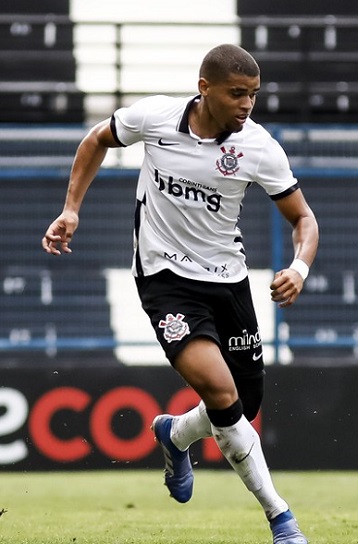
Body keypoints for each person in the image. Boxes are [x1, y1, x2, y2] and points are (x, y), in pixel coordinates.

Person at [41, 44, 318, 544]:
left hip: (228, 283)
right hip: (164, 280)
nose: (246, 105)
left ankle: (174, 434)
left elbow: (303, 218)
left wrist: (299, 266)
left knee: (242, 403)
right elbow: (95, 140)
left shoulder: (258, 147)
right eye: (237, 94)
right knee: (221, 393)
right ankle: (280, 517)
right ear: (204, 87)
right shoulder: (155, 117)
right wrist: (71, 208)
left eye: (253, 95)